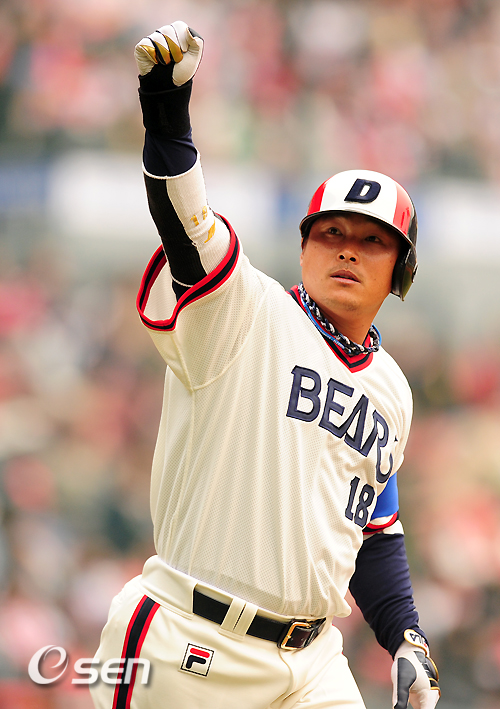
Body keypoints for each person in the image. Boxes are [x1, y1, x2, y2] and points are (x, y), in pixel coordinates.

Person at [90, 21, 440, 709]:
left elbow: (375, 529)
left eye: (372, 241)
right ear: (304, 248)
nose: (348, 249)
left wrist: (407, 635)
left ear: (399, 272)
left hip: (313, 662)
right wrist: (167, 115)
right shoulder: (244, 310)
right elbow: (186, 224)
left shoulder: (393, 390)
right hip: (189, 639)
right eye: (331, 232)